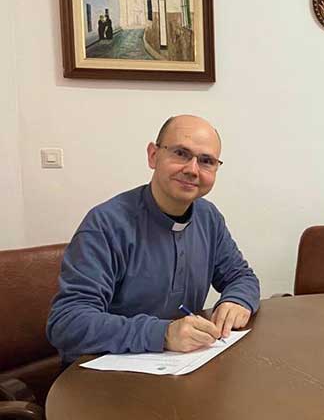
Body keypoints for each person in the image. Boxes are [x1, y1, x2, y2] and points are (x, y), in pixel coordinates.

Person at [48, 115, 260, 364]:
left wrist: (238, 299)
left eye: (206, 161)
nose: (192, 169)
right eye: (181, 153)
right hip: (102, 379)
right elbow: (67, 322)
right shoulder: (106, 224)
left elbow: (241, 277)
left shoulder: (208, 217)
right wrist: (164, 334)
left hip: (177, 369)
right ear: (153, 156)